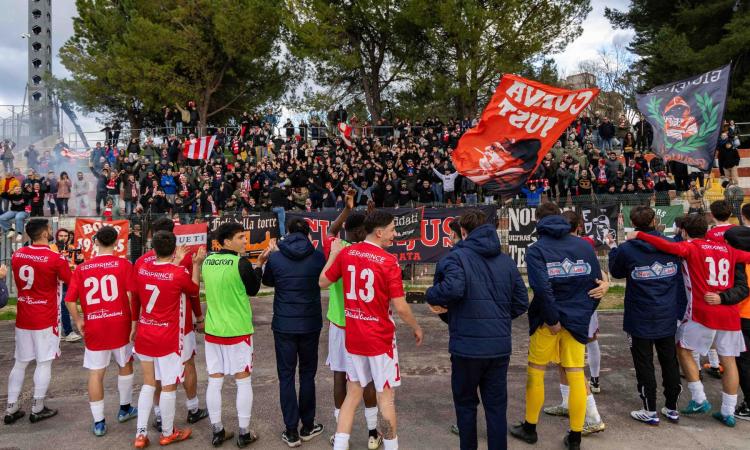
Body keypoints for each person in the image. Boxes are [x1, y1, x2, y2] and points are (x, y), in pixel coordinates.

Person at [628, 213, 750, 427]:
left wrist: (639, 234)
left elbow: (665, 245)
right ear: (707, 230)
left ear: (684, 231)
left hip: (703, 309)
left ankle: (699, 398)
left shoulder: (691, 247)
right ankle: (728, 412)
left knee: (682, 349)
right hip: (730, 312)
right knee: (729, 360)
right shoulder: (728, 250)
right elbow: (747, 257)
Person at [425, 209, 529, 450]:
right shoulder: (505, 260)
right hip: (498, 348)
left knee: (465, 406)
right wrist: (498, 319)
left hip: (467, 349)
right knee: (496, 408)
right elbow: (521, 302)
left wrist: (430, 296)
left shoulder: (456, 257)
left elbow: (452, 289)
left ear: (463, 232)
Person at [320, 210, 424, 450]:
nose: (395, 234)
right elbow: (400, 306)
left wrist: (333, 256)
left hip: (354, 337)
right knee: (386, 398)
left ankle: (340, 445)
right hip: (380, 340)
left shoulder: (346, 253)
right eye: (392, 230)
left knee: (353, 393)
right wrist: (416, 327)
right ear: (379, 232)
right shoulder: (388, 262)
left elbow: (322, 282)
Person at [510, 202, 603, 450]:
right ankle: (575, 436)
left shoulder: (536, 250)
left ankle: (530, 428)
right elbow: (596, 287)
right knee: (575, 375)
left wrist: (552, 320)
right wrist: (582, 316)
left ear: (538, 224)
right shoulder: (584, 246)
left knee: (536, 372)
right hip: (577, 321)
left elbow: (541, 289)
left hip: (546, 322)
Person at [607, 206, 684, 425]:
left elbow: (616, 272)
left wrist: (613, 247)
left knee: (645, 362)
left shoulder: (630, 248)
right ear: (653, 221)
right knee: (669, 361)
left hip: (641, 315)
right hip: (665, 314)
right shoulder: (670, 245)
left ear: (633, 223)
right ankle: (670, 407)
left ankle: (652, 409)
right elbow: (618, 271)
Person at [132, 231, 206, 447]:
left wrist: (173, 261)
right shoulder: (178, 273)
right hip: (167, 337)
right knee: (168, 385)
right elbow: (193, 289)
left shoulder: (143, 268)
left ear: (152, 249)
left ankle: (141, 434)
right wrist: (196, 264)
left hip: (145, 333)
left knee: (148, 384)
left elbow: (158, 277)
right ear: (174, 248)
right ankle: (167, 432)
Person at [322, 192, 383, 449]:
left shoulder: (337, 250)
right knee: (365, 379)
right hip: (364, 325)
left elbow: (331, 230)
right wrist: (367, 215)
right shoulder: (370, 253)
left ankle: (340, 434)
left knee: (339, 378)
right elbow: (365, 233)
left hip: (340, 324)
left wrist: (347, 210)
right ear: (363, 233)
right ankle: (372, 433)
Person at [64, 226, 138, 436]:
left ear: (95, 242)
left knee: (96, 373)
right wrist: (135, 322)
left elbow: (69, 299)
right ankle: (124, 409)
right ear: (116, 242)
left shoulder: (82, 268)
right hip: (120, 324)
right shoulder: (124, 264)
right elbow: (133, 295)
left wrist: (78, 320)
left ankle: (99, 422)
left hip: (95, 325)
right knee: (125, 364)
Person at [202, 222, 268, 447]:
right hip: (238, 331)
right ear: (227, 241)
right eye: (240, 237)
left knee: (215, 381)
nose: (245, 241)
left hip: (213, 331)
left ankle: (217, 431)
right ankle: (243, 432)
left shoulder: (208, 261)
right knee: (243, 382)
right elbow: (253, 290)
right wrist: (259, 265)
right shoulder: (240, 263)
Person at [541, 211, 606, 437]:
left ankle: (593, 416)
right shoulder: (552, 246)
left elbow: (600, 274)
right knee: (563, 362)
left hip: (578, 311)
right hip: (563, 312)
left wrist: (605, 284)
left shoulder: (582, 245)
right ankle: (568, 403)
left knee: (574, 366)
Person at [262, 218, 326, 446]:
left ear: (287, 232)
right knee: (307, 374)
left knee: (286, 376)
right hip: (310, 323)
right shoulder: (318, 256)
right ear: (308, 234)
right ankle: (308, 425)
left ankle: (291, 430)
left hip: (284, 324)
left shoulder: (276, 257)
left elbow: (267, 280)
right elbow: (324, 280)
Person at [4, 218, 72, 424]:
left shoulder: (17, 254)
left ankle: (11, 407)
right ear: (44, 233)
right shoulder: (55, 257)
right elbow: (69, 279)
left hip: (24, 315)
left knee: (20, 362)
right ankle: (37, 407)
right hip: (46, 316)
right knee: (44, 362)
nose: (51, 232)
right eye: (50, 230)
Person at [724, 203, 750, 419]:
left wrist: (722, 299)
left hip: (743, 315)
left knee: (743, 360)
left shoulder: (738, 262)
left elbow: (741, 290)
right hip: (742, 313)